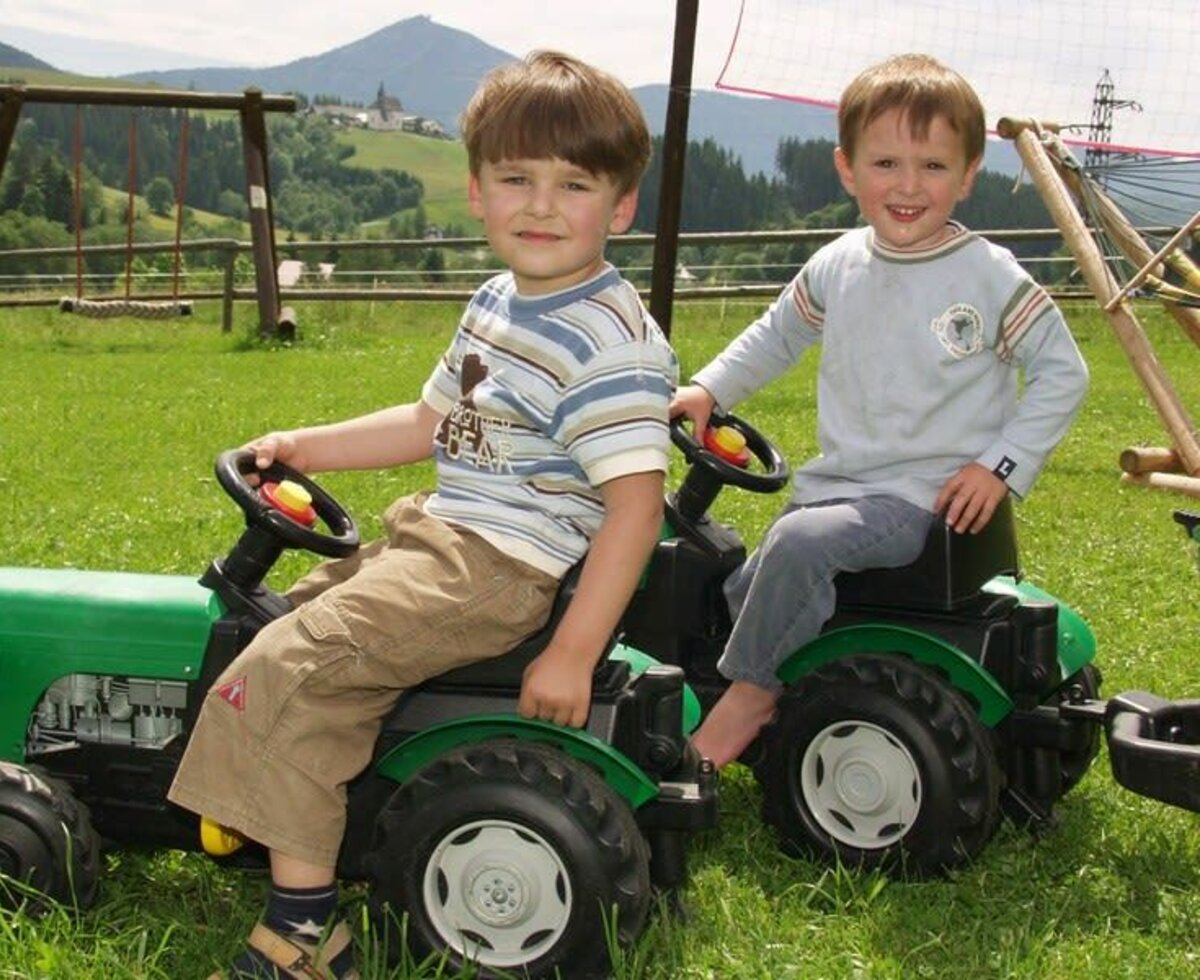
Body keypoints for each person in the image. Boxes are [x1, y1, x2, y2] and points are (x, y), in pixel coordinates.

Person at [169, 50, 676, 980]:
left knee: (295, 667)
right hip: (437, 532)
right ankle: (274, 803)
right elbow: (428, 422)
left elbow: (637, 511)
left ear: (621, 204)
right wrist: (307, 445)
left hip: (497, 570)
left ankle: (304, 933)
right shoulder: (499, 302)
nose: (540, 204)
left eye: (573, 183)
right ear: (476, 190)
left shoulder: (608, 343)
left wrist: (571, 653)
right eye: (515, 178)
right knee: (278, 624)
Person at [671, 52, 1089, 769]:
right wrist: (709, 390)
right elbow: (776, 337)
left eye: (931, 167)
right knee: (745, 574)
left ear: (966, 173)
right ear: (846, 168)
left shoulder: (987, 276)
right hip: (837, 493)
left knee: (798, 549)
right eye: (886, 163)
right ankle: (762, 678)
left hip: (921, 499)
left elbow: (1064, 373)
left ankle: (751, 697)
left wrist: (1000, 467)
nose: (907, 186)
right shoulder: (839, 265)